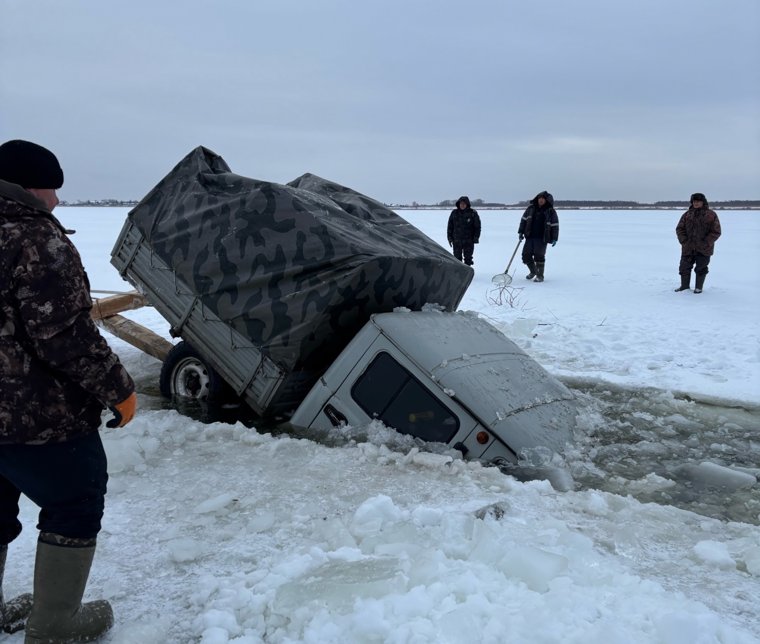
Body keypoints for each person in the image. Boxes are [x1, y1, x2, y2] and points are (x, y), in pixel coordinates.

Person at [0, 139, 136, 641]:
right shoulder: (36, 240)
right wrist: (119, 390)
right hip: (39, 418)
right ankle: (56, 624)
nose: (56, 201)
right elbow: (66, 337)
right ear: (27, 189)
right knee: (75, 503)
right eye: (50, 190)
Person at [674, 192, 721, 294]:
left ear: (703, 202)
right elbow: (680, 229)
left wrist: (706, 242)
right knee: (684, 267)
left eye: (698, 201)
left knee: (701, 268)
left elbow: (716, 231)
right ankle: (684, 287)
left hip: (704, 248)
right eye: (694, 201)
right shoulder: (687, 215)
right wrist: (684, 241)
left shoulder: (711, 215)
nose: (696, 203)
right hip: (688, 248)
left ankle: (698, 288)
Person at [517, 190, 559, 282]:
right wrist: (521, 232)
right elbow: (523, 220)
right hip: (530, 236)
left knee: (539, 256)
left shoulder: (550, 211)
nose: (541, 200)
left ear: (547, 200)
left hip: (542, 238)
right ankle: (533, 271)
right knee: (525, 255)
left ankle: (540, 276)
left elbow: (555, 225)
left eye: (543, 199)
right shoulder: (531, 208)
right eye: (539, 198)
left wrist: (554, 238)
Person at [446, 196, 481, 266]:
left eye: (464, 204)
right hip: (456, 241)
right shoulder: (454, 213)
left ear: (467, 204)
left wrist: (476, 237)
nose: (462, 205)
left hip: (469, 241)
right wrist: (449, 238)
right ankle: (459, 275)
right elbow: (450, 226)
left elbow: (477, 227)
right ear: (458, 204)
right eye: (461, 203)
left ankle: (467, 274)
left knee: (468, 259)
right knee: (457, 259)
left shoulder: (473, 213)